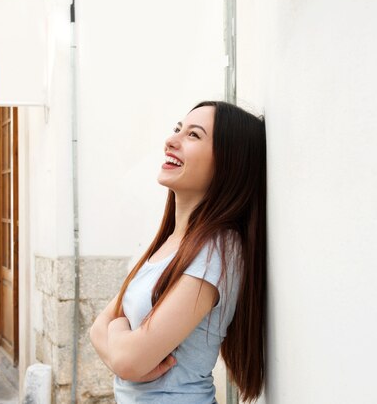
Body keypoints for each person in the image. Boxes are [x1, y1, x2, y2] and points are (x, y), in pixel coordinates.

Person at [89, 101, 267, 403]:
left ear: (229, 162)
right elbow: (97, 329)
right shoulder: (169, 242)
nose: (171, 141)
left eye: (193, 135)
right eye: (177, 130)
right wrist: (122, 347)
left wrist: (120, 347)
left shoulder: (219, 249)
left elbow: (127, 359)